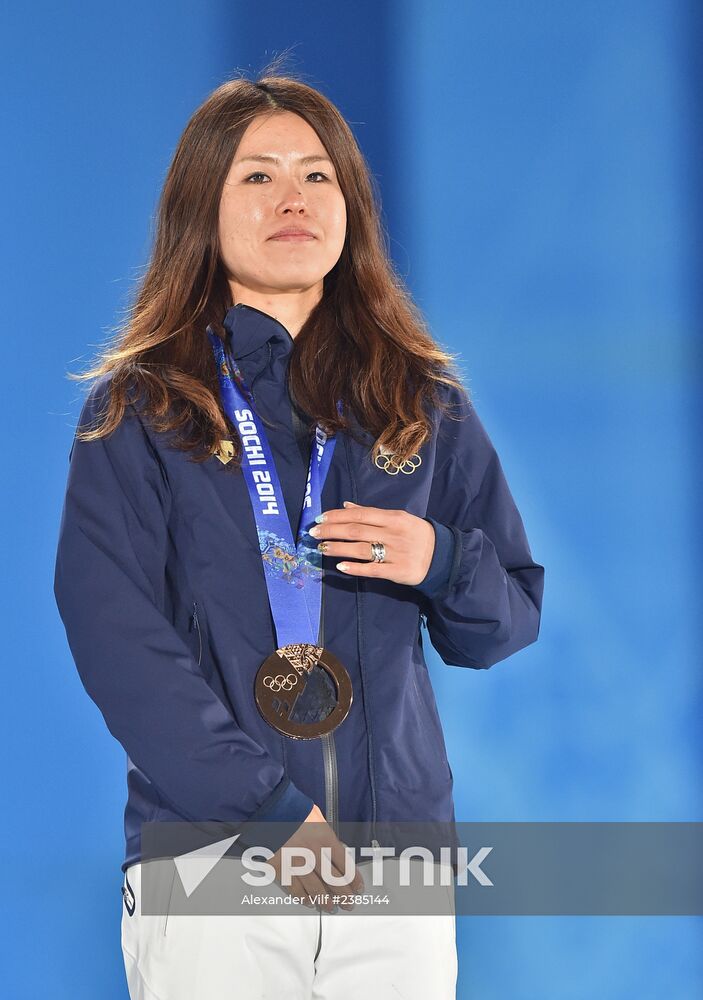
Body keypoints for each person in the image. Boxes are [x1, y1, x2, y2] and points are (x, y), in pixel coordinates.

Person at [53, 69, 545, 1000]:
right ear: (203, 205)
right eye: (257, 176)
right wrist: (270, 816)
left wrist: (438, 560)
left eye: (318, 176)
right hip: (211, 862)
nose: (294, 199)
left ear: (351, 207)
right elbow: (115, 635)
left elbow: (506, 618)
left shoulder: (418, 400)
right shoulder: (143, 406)